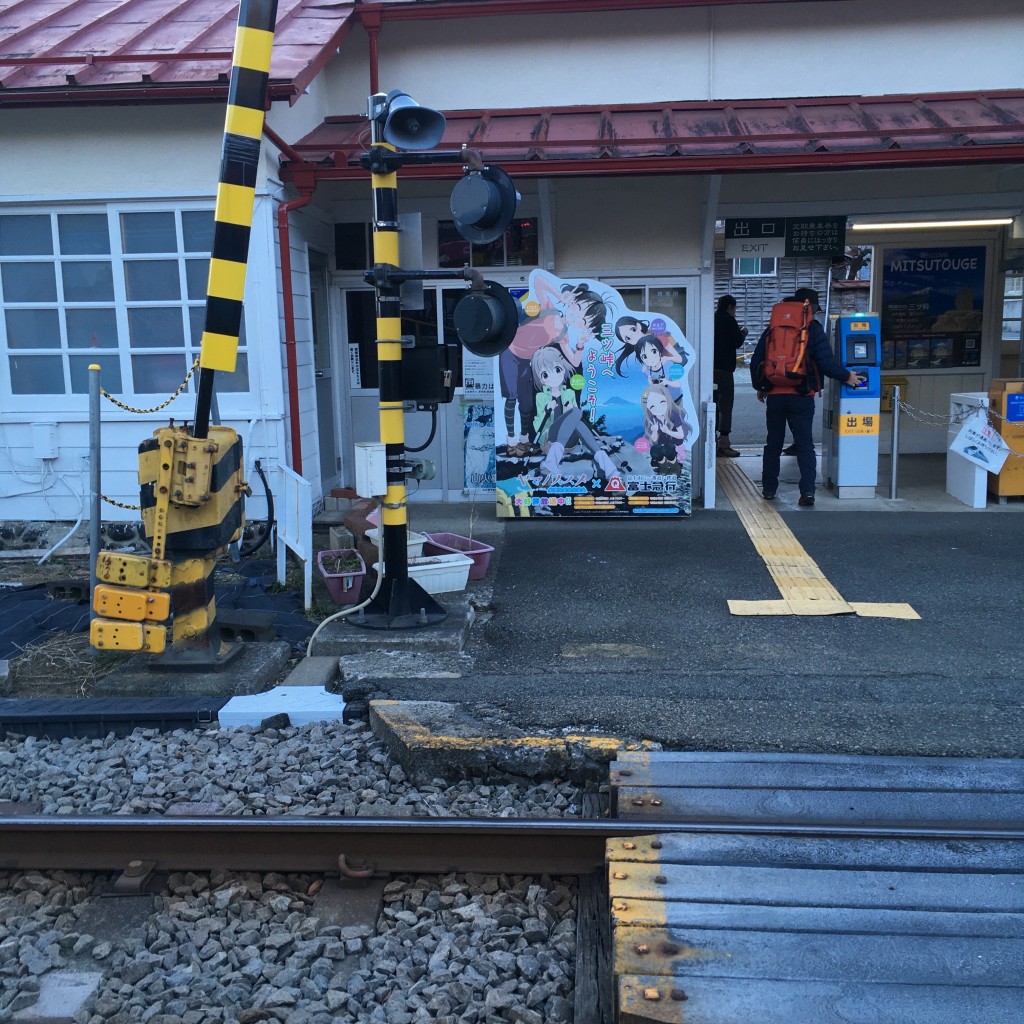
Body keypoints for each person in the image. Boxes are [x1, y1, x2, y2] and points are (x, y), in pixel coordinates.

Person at [750, 287, 862, 506]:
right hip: (801, 395)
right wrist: (847, 376)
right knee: (804, 444)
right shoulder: (812, 328)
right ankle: (808, 492)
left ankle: (770, 489)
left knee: (773, 443)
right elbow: (826, 363)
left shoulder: (773, 328)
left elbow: (757, 361)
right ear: (809, 305)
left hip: (775, 395)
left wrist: (762, 386)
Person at [712, 295, 747, 457]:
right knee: (725, 406)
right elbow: (737, 342)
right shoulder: (729, 320)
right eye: (735, 308)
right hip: (725, 371)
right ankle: (724, 443)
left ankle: (711, 442)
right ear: (730, 307)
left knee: (712, 406)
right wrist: (743, 333)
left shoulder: (712, 319)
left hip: (710, 370)